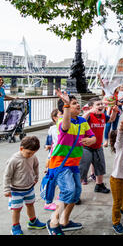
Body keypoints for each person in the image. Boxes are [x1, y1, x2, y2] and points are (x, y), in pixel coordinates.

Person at [46, 89, 96, 235]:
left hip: (74, 163)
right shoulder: (62, 121)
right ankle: (54, 222)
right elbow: (66, 127)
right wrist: (67, 105)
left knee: (76, 194)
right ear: (65, 108)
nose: (78, 105)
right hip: (60, 163)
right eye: (74, 103)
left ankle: (65, 221)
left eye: (76, 103)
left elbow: (92, 137)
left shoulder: (82, 121)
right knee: (68, 190)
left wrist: (90, 140)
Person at [3, 136, 46, 235]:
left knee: (30, 205)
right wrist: (6, 189)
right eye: (29, 153)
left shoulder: (33, 157)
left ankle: (33, 221)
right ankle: (15, 227)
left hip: (29, 188)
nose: (30, 155)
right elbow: (7, 175)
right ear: (21, 149)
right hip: (16, 190)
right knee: (16, 209)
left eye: (33, 153)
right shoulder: (14, 160)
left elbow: (36, 166)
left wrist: (36, 177)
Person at [79, 97, 119, 196]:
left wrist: (114, 112)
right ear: (91, 107)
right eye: (98, 104)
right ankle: (76, 192)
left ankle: (99, 185)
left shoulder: (102, 116)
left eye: (101, 104)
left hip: (98, 146)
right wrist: (89, 111)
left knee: (100, 166)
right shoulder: (89, 116)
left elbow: (111, 119)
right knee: (83, 169)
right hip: (86, 147)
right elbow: (81, 120)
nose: (101, 106)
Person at [43, 108, 62, 211]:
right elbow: (48, 143)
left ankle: (61, 195)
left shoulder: (69, 127)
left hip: (65, 158)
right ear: (55, 118)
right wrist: (47, 147)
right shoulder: (52, 129)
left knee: (63, 178)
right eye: (61, 114)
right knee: (52, 180)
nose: (64, 116)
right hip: (54, 158)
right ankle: (48, 201)